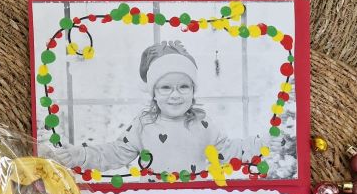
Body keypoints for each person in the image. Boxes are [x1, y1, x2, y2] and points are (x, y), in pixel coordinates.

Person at [53, 40, 260, 174]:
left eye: (184, 87)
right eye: (166, 87)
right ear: (153, 92)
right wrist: (81, 155)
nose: (175, 95)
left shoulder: (203, 124)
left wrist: (262, 145)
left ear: (193, 90)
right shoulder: (144, 125)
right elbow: (115, 153)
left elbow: (228, 151)